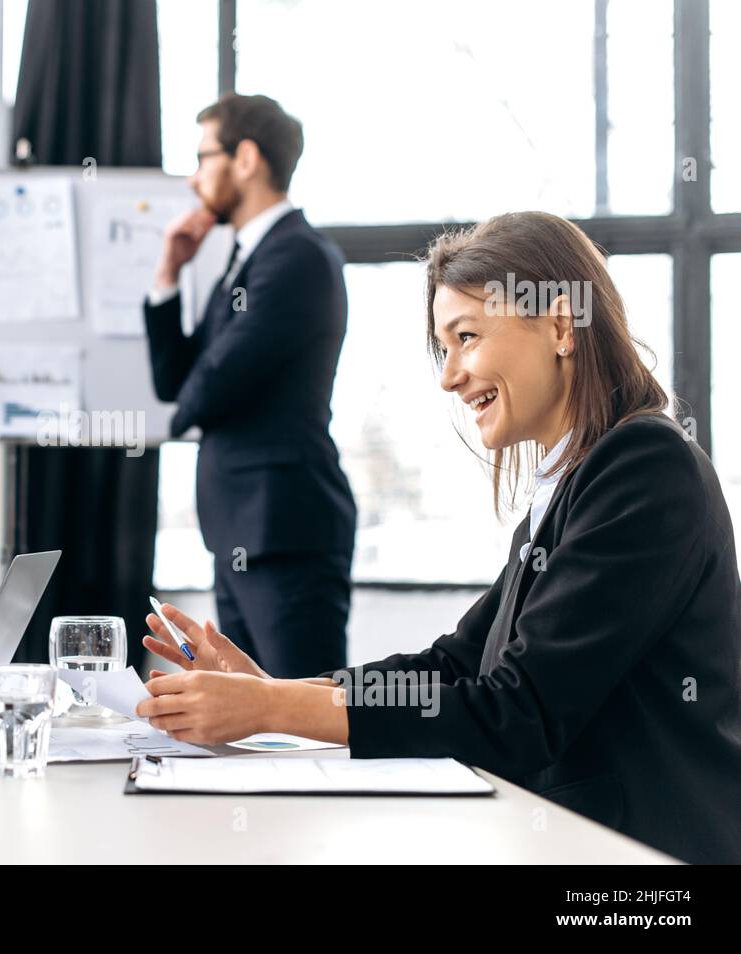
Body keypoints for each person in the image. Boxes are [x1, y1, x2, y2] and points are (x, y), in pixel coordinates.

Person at [136, 211, 741, 865]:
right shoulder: (574, 484)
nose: (450, 377)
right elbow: (454, 665)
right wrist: (282, 689)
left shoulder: (644, 468)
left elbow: (517, 714)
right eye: (444, 348)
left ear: (562, 325)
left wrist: (274, 708)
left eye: (468, 337)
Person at [143, 91, 356, 678]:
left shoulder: (297, 257)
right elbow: (176, 382)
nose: (192, 179)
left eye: (202, 157)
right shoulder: (245, 259)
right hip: (243, 528)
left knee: (301, 717)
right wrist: (169, 273)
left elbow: (214, 383)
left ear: (246, 159)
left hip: (283, 528)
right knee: (248, 718)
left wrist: (187, 407)